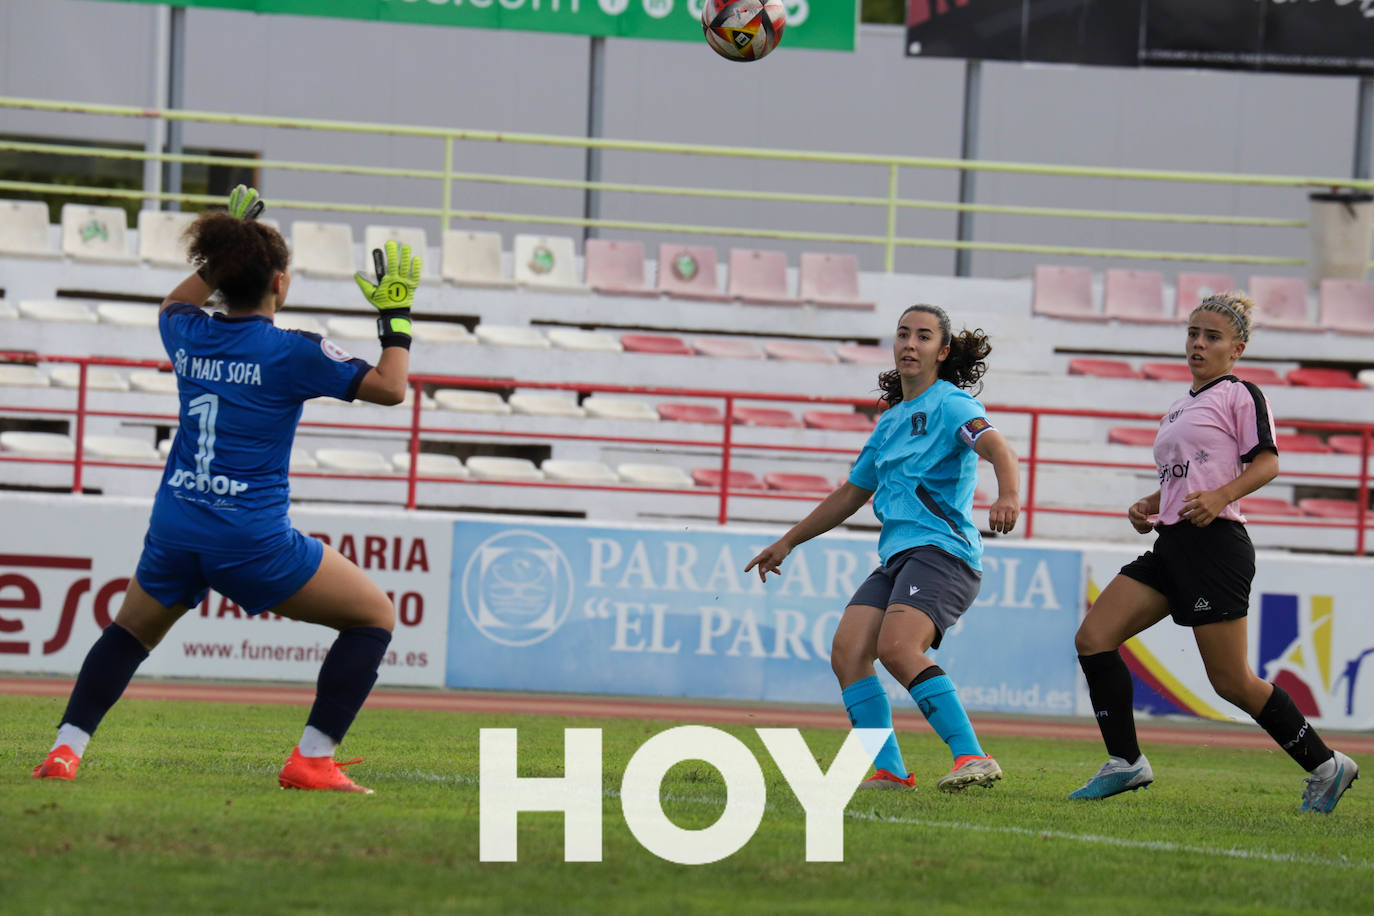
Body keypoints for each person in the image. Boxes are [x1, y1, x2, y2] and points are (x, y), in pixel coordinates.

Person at [32, 186, 421, 794]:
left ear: (218, 275)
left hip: (177, 524)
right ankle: (312, 760)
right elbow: (392, 387)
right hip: (249, 537)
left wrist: (225, 243)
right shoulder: (292, 350)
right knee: (374, 615)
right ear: (281, 284)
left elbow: (175, 300)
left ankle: (64, 751)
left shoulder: (186, 332)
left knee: (128, 634)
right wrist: (395, 316)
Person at [1070, 292, 1359, 813]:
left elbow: (1267, 464)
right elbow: (1192, 475)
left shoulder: (1242, 394)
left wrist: (1222, 496)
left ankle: (1327, 765)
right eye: (1193, 334)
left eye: (1212, 337)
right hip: (1173, 542)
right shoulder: (1181, 404)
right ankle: (1125, 762)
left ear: (1237, 349)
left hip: (1215, 546)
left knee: (1230, 681)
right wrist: (1151, 503)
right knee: (1094, 638)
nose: (1198, 344)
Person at [746, 304, 1020, 791]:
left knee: (897, 647)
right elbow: (852, 494)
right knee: (848, 652)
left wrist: (1008, 494)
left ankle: (973, 756)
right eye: (903, 335)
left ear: (943, 351)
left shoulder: (951, 404)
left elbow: (998, 447)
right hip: (899, 557)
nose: (910, 344)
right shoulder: (889, 423)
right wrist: (787, 542)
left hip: (944, 552)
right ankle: (891, 771)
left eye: (923, 336)